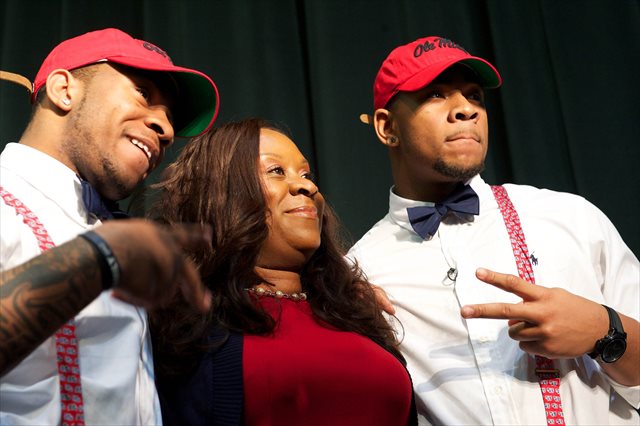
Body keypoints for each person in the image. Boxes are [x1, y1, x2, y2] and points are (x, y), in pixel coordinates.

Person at [348, 36, 639, 425]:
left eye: (474, 97)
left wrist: (604, 330)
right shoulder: (361, 273)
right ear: (387, 127)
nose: (465, 110)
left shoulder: (569, 218)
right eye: (436, 95)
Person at [0, 28, 219, 425]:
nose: (166, 129)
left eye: (170, 117)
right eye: (143, 93)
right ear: (64, 89)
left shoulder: (111, 228)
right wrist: (98, 256)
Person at [150, 118, 417, 425]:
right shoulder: (186, 326)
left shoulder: (357, 311)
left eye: (306, 173)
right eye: (276, 171)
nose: (308, 185)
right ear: (222, 193)